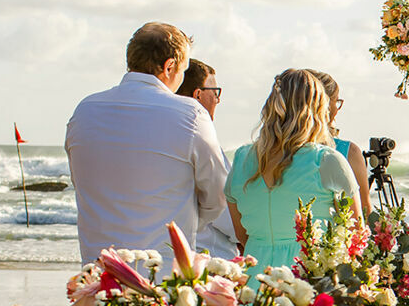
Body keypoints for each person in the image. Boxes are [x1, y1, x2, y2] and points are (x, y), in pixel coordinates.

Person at [66, 22, 229, 266]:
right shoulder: (190, 114)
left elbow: (82, 182)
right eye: (182, 70)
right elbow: (218, 197)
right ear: (169, 66)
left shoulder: (85, 110)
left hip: (96, 272)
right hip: (161, 276)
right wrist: (187, 220)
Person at [224, 69, 359, 271]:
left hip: (256, 281)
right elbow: (355, 236)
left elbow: (242, 234)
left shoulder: (242, 158)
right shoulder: (327, 160)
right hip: (307, 282)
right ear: (318, 110)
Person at [174, 58, 241, 259]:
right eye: (215, 92)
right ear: (198, 94)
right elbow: (224, 212)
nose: (218, 100)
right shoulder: (202, 139)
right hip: (210, 257)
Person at [309, 70, 371, 217]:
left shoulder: (282, 152)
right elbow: (364, 211)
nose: (337, 108)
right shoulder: (349, 152)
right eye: (336, 101)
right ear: (324, 105)